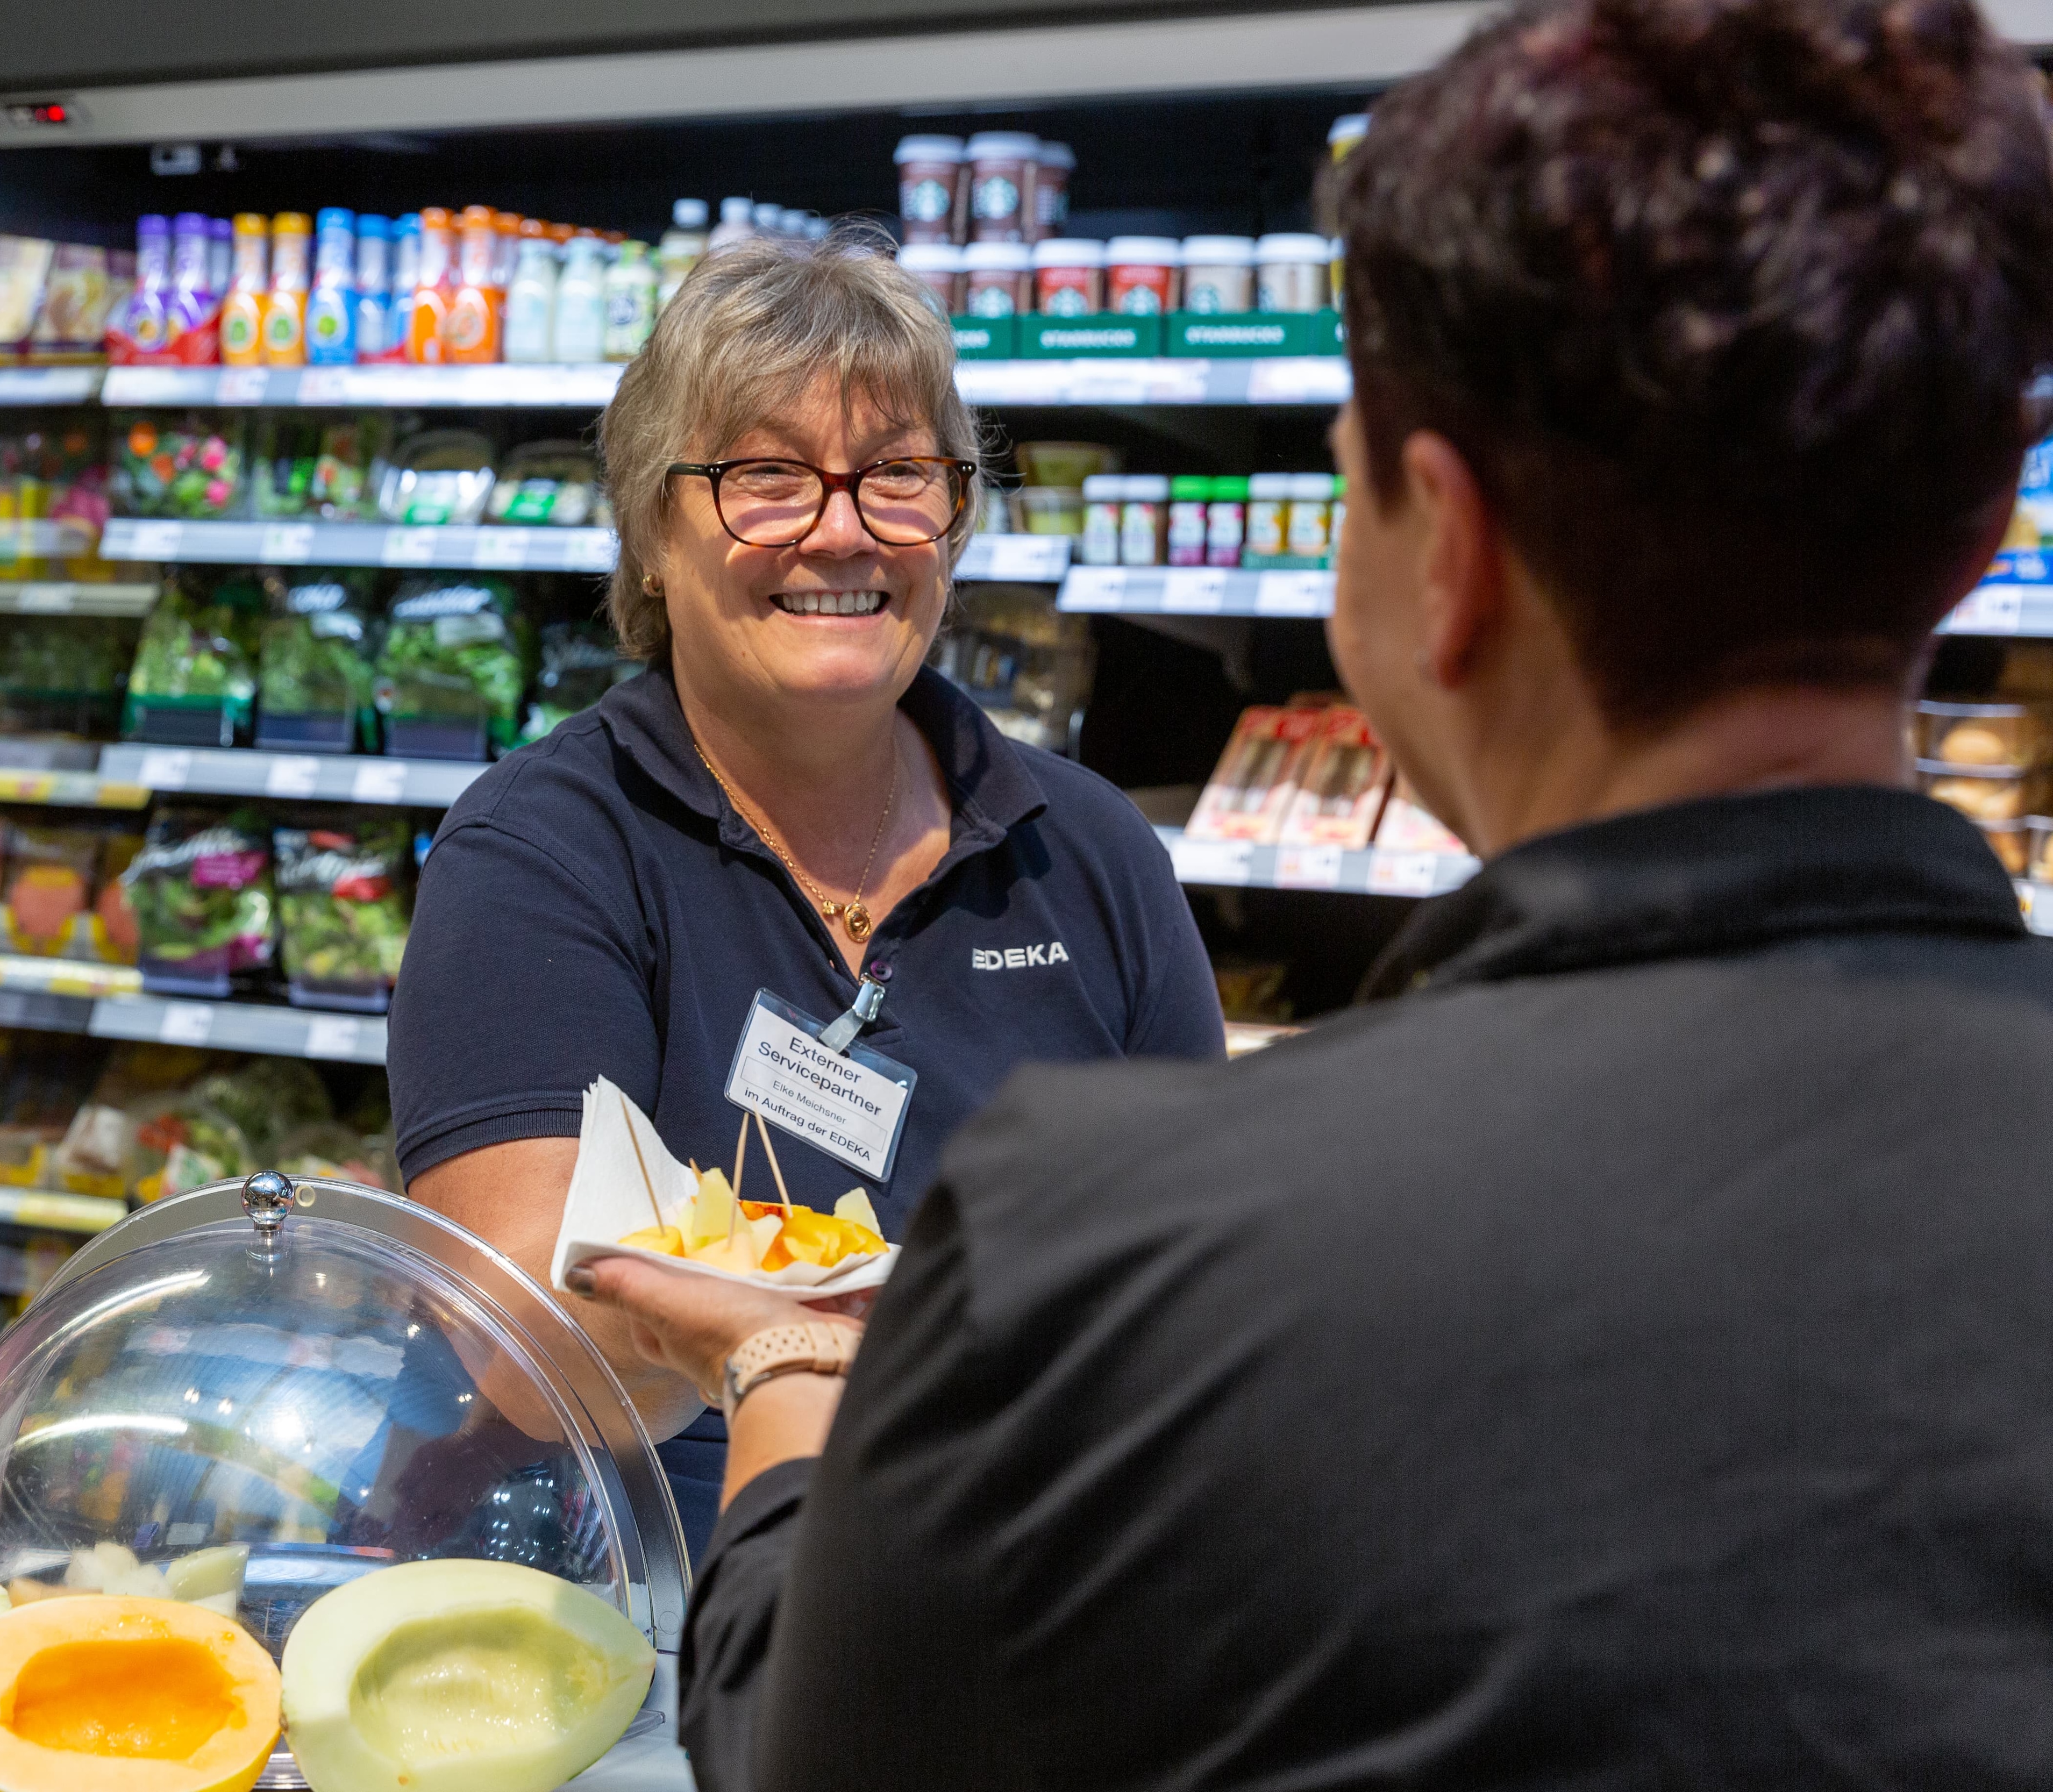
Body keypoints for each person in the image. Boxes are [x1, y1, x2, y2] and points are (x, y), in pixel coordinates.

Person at [572, 0, 2053, 1783]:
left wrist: (788, 1372)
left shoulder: (1131, 1248)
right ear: (1980, 534)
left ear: (1449, 549)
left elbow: (804, 1747)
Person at [388, 232, 1224, 1554]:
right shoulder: (541, 851)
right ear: (651, 534)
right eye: (765, 478)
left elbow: (1200, 1271)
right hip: (666, 1599)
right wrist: (796, 1341)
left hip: (1035, 1572)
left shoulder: (1089, 849)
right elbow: (534, 1346)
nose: (843, 528)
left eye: (897, 474)